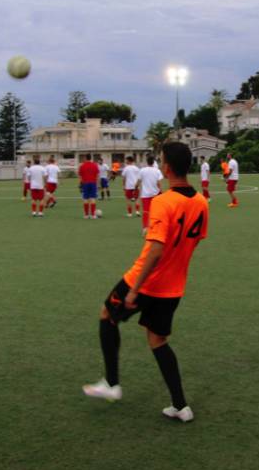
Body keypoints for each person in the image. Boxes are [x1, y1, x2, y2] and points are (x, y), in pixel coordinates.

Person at [83, 142, 208, 423]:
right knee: (157, 340)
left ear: (166, 166)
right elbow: (195, 240)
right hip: (174, 286)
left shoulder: (164, 201)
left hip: (144, 281)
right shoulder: (200, 202)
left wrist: (135, 289)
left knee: (107, 316)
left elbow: (156, 249)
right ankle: (180, 406)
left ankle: (112, 385)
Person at [138, 153, 164, 234]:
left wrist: (135, 188)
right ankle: (156, 228)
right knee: (157, 212)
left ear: (147, 162)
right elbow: (159, 183)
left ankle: (145, 228)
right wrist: (161, 192)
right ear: (153, 162)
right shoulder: (157, 171)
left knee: (146, 211)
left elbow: (139, 181)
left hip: (145, 194)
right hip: (156, 194)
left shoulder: (142, 170)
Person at [78, 154, 101, 219]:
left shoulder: (82, 166)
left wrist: (80, 185)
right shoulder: (95, 165)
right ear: (91, 158)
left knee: (85, 199)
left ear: (85, 158)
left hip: (85, 184)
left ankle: (86, 215)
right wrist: (98, 184)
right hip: (93, 183)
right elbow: (98, 175)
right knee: (93, 198)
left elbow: (80, 176)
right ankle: (93, 215)